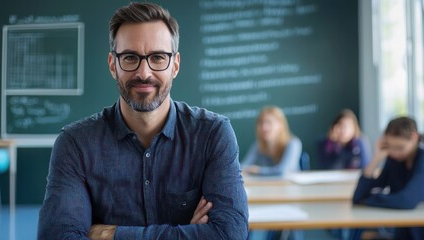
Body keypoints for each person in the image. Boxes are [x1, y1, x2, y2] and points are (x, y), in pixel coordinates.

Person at [37, 2, 248, 239]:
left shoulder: (213, 134)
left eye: (158, 57)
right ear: (112, 65)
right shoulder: (76, 144)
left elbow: (229, 233)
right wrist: (188, 233)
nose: (144, 73)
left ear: (175, 65)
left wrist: (112, 234)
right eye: (130, 57)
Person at [352, 116, 424, 240]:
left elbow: (406, 201)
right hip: (404, 231)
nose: (394, 153)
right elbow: (358, 196)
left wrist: (369, 200)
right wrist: (376, 159)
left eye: (400, 148)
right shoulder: (394, 161)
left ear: (414, 137)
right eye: (390, 147)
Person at [242, 106, 302, 176]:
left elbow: (283, 171)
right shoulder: (258, 145)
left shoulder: (293, 143)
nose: (264, 127)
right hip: (267, 186)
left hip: (289, 185)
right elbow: (243, 167)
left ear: (280, 125)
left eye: (269, 122)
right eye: (261, 123)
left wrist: (258, 170)